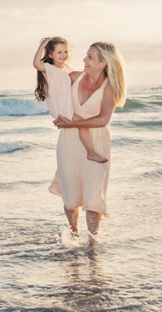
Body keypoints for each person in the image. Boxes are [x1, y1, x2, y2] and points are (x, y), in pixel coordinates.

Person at [53, 42, 127, 241]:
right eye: (86, 56)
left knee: (94, 192)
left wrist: (71, 123)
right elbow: (54, 93)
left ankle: (93, 243)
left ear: (103, 63)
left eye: (90, 57)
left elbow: (103, 120)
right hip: (69, 142)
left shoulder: (109, 87)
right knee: (71, 194)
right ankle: (74, 234)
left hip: (97, 142)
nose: (84, 60)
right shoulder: (73, 78)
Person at [33, 37, 108, 197]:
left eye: (66, 51)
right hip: (60, 107)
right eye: (59, 52)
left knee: (80, 122)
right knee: (82, 123)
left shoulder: (68, 69)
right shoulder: (49, 68)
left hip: (67, 105)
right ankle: (90, 151)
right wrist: (42, 45)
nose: (63, 55)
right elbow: (36, 64)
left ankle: (86, 151)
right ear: (51, 55)